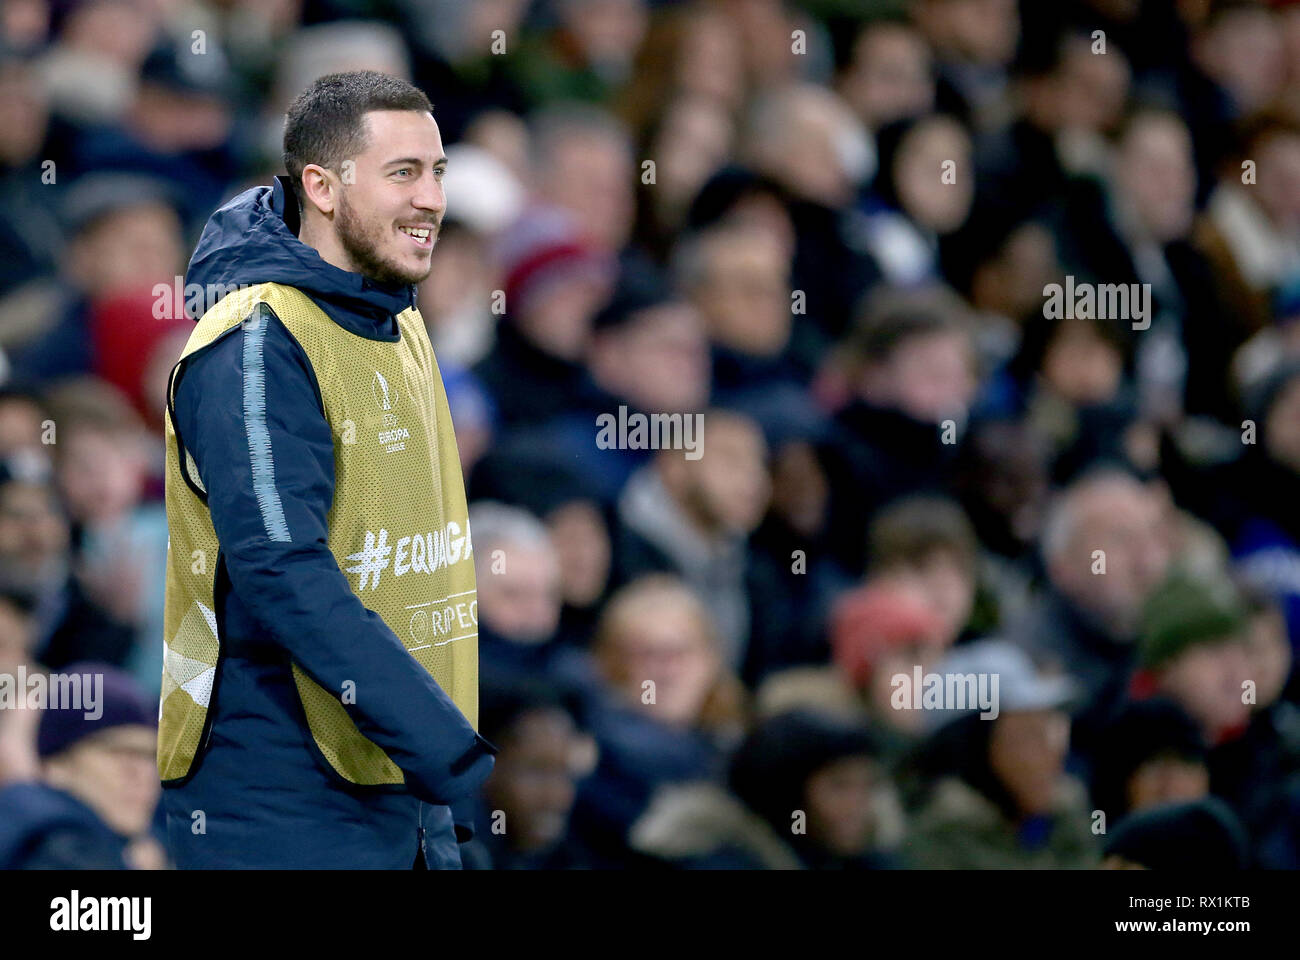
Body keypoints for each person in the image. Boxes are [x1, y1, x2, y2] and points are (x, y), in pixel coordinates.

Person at [159, 71, 496, 869]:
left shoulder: (397, 317)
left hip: (401, 778)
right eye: (403, 173)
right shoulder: (256, 341)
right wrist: (443, 743)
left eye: (438, 171)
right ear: (322, 186)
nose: (432, 199)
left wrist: (436, 778)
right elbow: (281, 569)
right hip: (279, 791)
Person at [0, 663, 164, 869]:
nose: (144, 775)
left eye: (151, 757)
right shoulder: (62, 846)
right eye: (120, 753)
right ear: (57, 764)